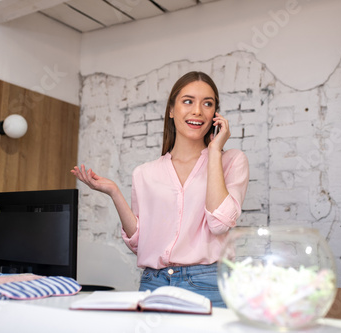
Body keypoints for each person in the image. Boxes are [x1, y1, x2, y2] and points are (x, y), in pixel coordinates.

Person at [71, 71, 249, 308]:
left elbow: (219, 224)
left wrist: (215, 151)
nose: (198, 110)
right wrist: (114, 192)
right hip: (153, 283)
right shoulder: (145, 173)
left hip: (209, 284)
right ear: (171, 110)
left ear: (215, 114)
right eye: (188, 101)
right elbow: (140, 243)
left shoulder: (231, 161)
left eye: (207, 103)